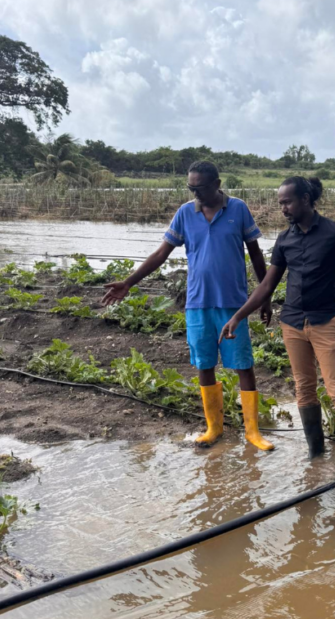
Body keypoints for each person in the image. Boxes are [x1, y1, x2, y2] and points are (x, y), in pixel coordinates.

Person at [102, 161, 274, 452]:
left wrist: (265, 295)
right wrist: (129, 282)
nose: (196, 193)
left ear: (217, 183)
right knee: (205, 364)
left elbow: (256, 255)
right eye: (191, 188)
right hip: (197, 303)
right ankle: (213, 428)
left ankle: (253, 432)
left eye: (201, 187)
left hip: (234, 304)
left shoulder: (238, 209)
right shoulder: (185, 213)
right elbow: (161, 254)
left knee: (243, 364)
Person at [219, 176, 335, 465]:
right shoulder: (285, 239)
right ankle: (315, 457)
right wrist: (237, 317)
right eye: (280, 203)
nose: (283, 208)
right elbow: (267, 286)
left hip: (325, 322)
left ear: (305, 200)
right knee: (304, 389)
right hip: (292, 323)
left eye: (287, 202)